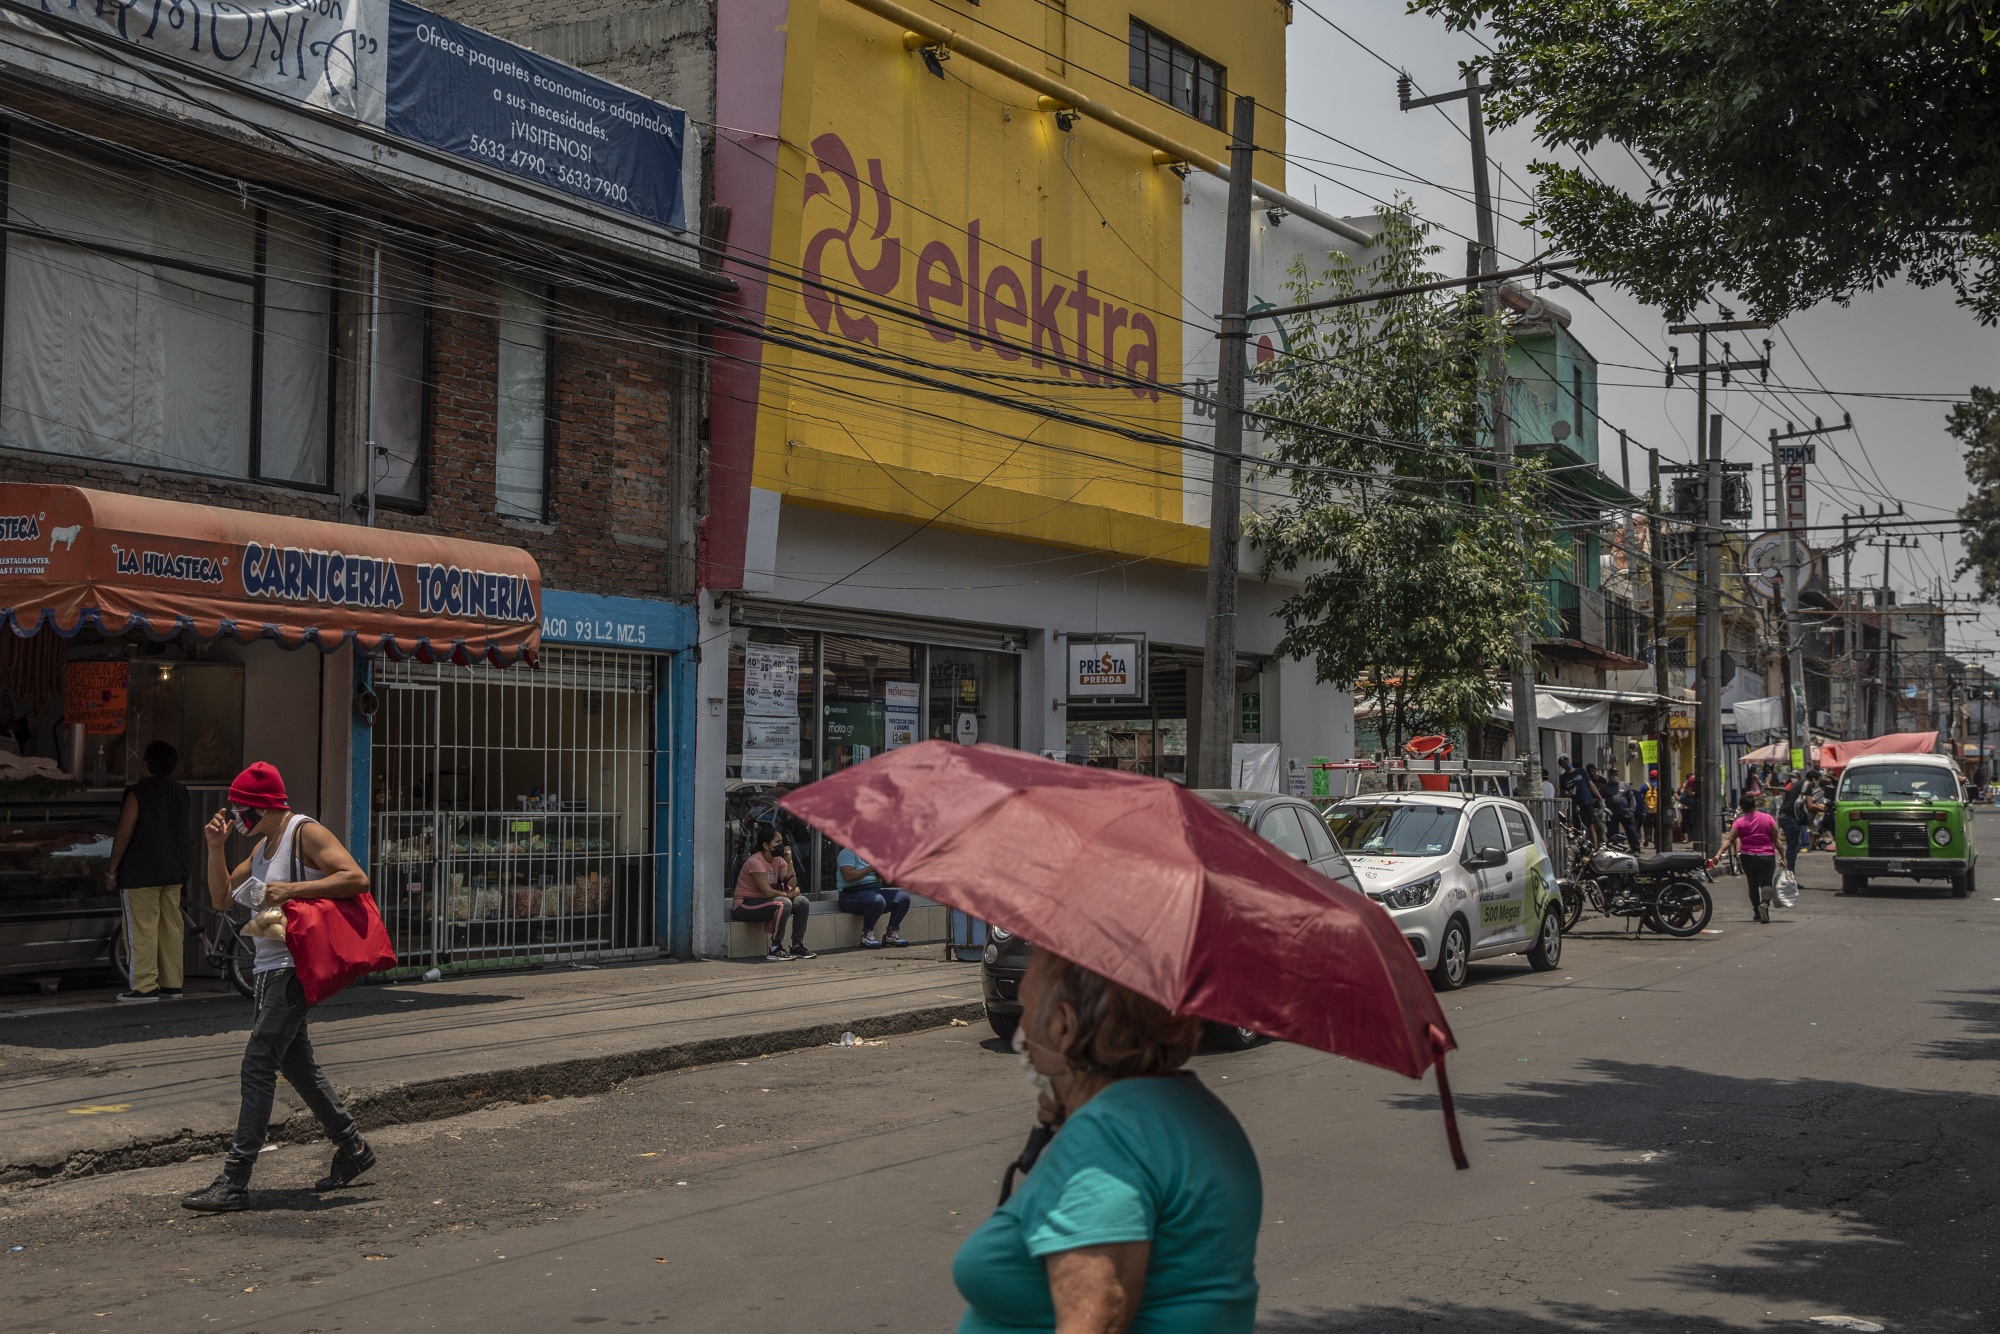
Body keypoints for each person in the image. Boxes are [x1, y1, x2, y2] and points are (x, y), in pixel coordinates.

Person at [953, 950, 1263, 1333]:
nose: (1023, 1032)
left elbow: (1098, 1318)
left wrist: (1086, 1129)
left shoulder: (1107, 1138)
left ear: (1064, 1026)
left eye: (1029, 1009)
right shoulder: (1187, 1109)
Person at [181, 762, 375, 1212]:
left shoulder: (302, 831)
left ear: (265, 806)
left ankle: (234, 1179)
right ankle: (354, 1149)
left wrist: (290, 891)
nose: (235, 817)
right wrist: (215, 848)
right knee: (298, 1066)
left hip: (295, 966)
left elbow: (356, 878)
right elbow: (220, 899)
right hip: (268, 969)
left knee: (257, 1062)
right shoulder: (264, 845)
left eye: (241, 810)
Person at [105, 740, 192, 1002]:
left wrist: (112, 871)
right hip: (174, 871)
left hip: (141, 873)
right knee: (171, 928)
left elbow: (123, 835)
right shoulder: (181, 792)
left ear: (145, 764)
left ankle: (144, 987)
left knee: (142, 929)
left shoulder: (138, 793)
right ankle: (172, 984)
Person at [733, 825, 815, 960]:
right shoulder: (755, 861)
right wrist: (788, 895)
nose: (781, 845)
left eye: (781, 841)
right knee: (784, 903)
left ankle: (797, 945)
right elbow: (767, 892)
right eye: (777, 842)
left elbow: (790, 886)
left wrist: (790, 862)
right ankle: (775, 948)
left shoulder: (779, 861)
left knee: (802, 902)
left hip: (764, 903)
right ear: (766, 845)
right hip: (745, 905)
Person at [1719, 792, 1785, 924]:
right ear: (1755, 804)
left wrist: (1718, 854)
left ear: (1742, 808)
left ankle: (1756, 912)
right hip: (1767, 856)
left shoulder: (1740, 822)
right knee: (1766, 883)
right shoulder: (1768, 819)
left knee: (1753, 885)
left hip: (1748, 857)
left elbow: (1730, 839)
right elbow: (1777, 841)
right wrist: (1784, 857)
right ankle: (1765, 904)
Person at [835, 845, 912, 947]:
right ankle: (867, 936)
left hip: (874, 891)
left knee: (903, 898)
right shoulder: (847, 853)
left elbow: (886, 880)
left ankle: (891, 935)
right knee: (877, 900)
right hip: (850, 895)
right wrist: (872, 867)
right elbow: (849, 876)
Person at [1776, 770, 1808, 873]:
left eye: (1794, 776)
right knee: (1792, 848)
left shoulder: (1796, 786)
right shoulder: (1791, 786)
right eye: (1791, 776)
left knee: (1794, 846)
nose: (1792, 778)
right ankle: (1789, 874)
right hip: (1790, 817)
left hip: (1791, 816)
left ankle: (1789, 873)